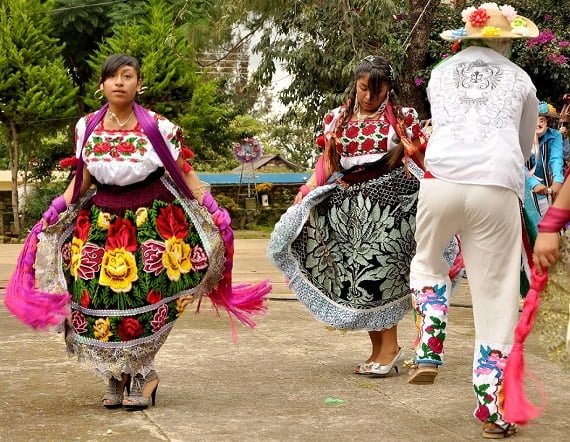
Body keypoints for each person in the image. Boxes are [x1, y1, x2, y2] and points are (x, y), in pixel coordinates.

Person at [5, 54, 269, 410]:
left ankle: (143, 374)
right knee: (95, 298)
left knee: (141, 299)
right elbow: (82, 179)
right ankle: (115, 376)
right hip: (98, 222)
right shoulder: (87, 127)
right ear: (101, 85)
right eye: (111, 76)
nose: (118, 82)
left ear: (138, 84)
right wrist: (57, 206)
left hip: (151, 222)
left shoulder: (159, 127)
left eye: (126, 76)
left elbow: (184, 172)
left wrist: (212, 208)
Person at [407, 3, 539, 439]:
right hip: (496, 188)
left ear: (465, 37)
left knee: (427, 262)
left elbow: (444, 122)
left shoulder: (441, 73)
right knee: (496, 294)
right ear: (505, 41)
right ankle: (490, 405)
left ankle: (431, 332)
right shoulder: (520, 79)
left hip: (440, 180)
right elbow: (523, 147)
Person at [268, 55, 431, 377]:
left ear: (389, 89)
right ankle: (378, 349)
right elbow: (328, 162)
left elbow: (422, 158)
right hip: (349, 209)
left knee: (380, 276)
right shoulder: (337, 120)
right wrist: (307, 189)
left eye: (377, 90)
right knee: (357, 278)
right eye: (362, 89)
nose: (369, 97)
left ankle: (390, 349)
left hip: (390, 207)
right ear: (355, 86)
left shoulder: (402, 119)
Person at [525, 101, 565, 216]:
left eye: (541, 120)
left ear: (548, 121)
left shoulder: (555, 135)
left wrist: (558, 180)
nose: (537, 123)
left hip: (547, 188)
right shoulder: (521, 136)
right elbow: (519, 164)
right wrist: (533, 183)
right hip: (525, 189)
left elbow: (556, 159)